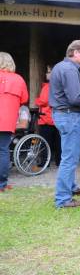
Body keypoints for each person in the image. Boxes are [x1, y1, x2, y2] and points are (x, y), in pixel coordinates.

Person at [49, 39, 80, 208]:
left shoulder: (61, 66)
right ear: (75, 53)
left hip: (63, 115)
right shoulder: (69, 70)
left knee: (70, 155)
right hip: (69, 116)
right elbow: (75, 99)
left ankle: (72, 188)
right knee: (70, 158)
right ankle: (63, 199)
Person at [0, 52, 28, 193]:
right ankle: (2, 184)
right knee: (3, 150)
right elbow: (24, 99)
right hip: (6, 121)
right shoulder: (18, 79)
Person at [35, 65, 61, 167]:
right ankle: (59, 162)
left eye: (49, 72)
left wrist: (37, 100)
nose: (46, 74)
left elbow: (44, 101)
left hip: (47, 118)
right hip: (58, 118)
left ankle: (45, 163)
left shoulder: (47, 87)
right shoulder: (60, 85)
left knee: (45, 143)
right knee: (59, 142)